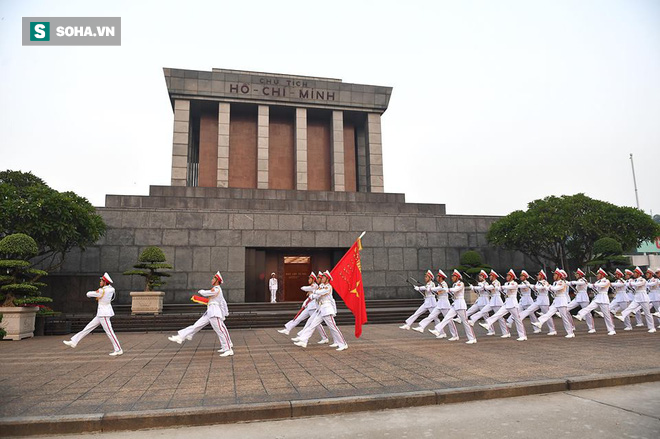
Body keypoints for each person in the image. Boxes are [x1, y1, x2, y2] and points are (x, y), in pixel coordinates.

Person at [167, 271, 234, 357]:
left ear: (217, 280)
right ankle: (181, 336)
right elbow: (222, 302)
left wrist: (201, 291)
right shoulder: (217, 290)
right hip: (210, 312)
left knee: (220, 330)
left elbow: (208, 294)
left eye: (213, 278)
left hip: (214, 313)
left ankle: (228, 349)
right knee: (196, 325)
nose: (211, 280)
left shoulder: (216, 289)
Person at [63, 273, 123, 356]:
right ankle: (74, 341)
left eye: (101, 280)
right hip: (102, 313)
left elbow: (88, 294)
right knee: (88, 327)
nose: (100, 282)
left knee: (110, 332)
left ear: (105, 282)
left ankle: (118, 349)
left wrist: (96, 291)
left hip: (104, 314)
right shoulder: (111, 289)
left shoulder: (102, 290)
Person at [294, 271, 348, 351]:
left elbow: (320, 292)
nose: (321, 278)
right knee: (312, 325)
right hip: (321, 309)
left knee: (333, 327)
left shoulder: (328, 287)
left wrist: (313, 292)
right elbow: (317, 294)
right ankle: (304, 340)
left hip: (327, 309)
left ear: (327, 279)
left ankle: (343, 344)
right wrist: (313, 295)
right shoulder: (321, 286)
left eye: (323, 277)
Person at [279, 272, 329, 343]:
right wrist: (305, 303)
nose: (308, 280)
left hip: (314, 307)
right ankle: (288, 329)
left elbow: (305, 288)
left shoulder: (315, 286)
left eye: (310, 278)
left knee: (315, 324)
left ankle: (324, 337)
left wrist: (308, 290)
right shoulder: (316, 286)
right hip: (309, 307)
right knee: (300, 318)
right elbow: (309, 297)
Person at [431, 270, 477, 344]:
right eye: (452, 276)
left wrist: (447, 289)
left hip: (460, 304)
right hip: (455, 303)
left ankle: (472, 338)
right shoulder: (455, 284)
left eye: (453, 276)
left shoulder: (460, 283)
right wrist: (446, 290)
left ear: (457, 277)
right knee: (447, 317)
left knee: (465, 322)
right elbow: (452, 293)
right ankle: (437, 330)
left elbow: (455, 290)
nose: (452, 277)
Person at [479, 269, 526, 341]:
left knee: (517, 320)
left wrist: (500, 287)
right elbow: (503, 290)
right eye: (507, 275)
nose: (507, 277)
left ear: (512, 277)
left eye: (508, 275)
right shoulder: (506, 283)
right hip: (507, 302)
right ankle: (488, 323)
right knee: (498, 314)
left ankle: (522, 335)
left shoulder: (514, 283)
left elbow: (509, 287)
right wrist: (498, 288)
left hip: (513, 303)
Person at [412, 269, 458, 339]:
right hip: (439, 303)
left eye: (438, 277)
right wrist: (428, 289)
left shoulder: (444, 284)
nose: (436, 278)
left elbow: (438, 291)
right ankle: (421, 327)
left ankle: (455, 335)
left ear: (441, 278)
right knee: (431, 316)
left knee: (449, 320)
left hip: (445, 304)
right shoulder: (440, 284)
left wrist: (429, 289)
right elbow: (436, 290)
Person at [532, 269, 575, 338]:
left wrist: (547, 287)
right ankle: (540, 322)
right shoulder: (555, 283)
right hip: (557, 300)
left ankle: (570, 332)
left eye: (555, 275)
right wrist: (548, 287)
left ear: (559, 276)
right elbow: (551, 288)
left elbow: (555, 288)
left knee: (564, 318)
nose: (554, 276)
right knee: (549, 313)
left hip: (561, 301)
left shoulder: (561, 282)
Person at [574, 268, 616, 335]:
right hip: (597, 298)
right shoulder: (597, 282)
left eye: (598, 274)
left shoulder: (606, 281)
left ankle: (611, 329)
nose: (597, 275)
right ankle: (580, 315)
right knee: (589, 307)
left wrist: (592, 285)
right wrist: (588, 284)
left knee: (606, 315)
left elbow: (602, 285)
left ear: (602, 275)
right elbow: (592, 287)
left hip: (603, 298)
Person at [615, 266, 656, 333]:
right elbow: (627, 284)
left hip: (643, 298)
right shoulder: (634, 280)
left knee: (647, 313)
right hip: (637, 297)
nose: (633, 274)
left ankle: (652, 327)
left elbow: (638, 284)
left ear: (638, 273)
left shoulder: (642, 280)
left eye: (635, 272)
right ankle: (623, 316)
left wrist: (630, 284)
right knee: (630, 308)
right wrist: (625, 282)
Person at [469, 270, 509, 337]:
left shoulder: (496, 282)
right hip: (492, 300)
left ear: (494, 276)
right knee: (483, 311)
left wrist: (483, 286)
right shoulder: (492, 282)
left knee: (500, 317)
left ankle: (506, 333)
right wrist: (475, 287)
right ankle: (472, 320)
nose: (489, 277)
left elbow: (490, 287)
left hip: (497, 301)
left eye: (491, 275)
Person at [518, 270, 557, 335]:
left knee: (547, 315)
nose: (537, 276)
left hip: (544, 300)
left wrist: (532, 286)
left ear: (542, 276)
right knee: (530, 309)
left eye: (539, 275)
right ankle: (519, 317)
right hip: (538, 299)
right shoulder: (538, 282)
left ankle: (552, 330)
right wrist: (530, 285)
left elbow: (541, 288)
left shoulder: (545, 282)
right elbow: (535, 288)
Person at [466, 270, 494, 335]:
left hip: (484, 300)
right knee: (470, 310)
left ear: (484, 277)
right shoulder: (479, 283)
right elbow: (477, 291)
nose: (479, 277)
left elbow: (481, 289)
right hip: (479, 299)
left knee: (485, 315)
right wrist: (473, 288)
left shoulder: (486, 283)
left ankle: (491, 330)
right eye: (479, 276)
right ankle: (460, 318)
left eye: (481, 276)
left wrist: (475, 287)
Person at [566, 269, 595, 333]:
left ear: (580, 275)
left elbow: (580, 283)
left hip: (584, 297)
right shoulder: (579, 280)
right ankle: (572, 326)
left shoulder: (583, 280)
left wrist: (571, 282)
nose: (576, 275)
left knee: (587, 313)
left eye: (577, 274)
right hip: (578, 297)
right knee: (566, 309)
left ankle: (591, 328)